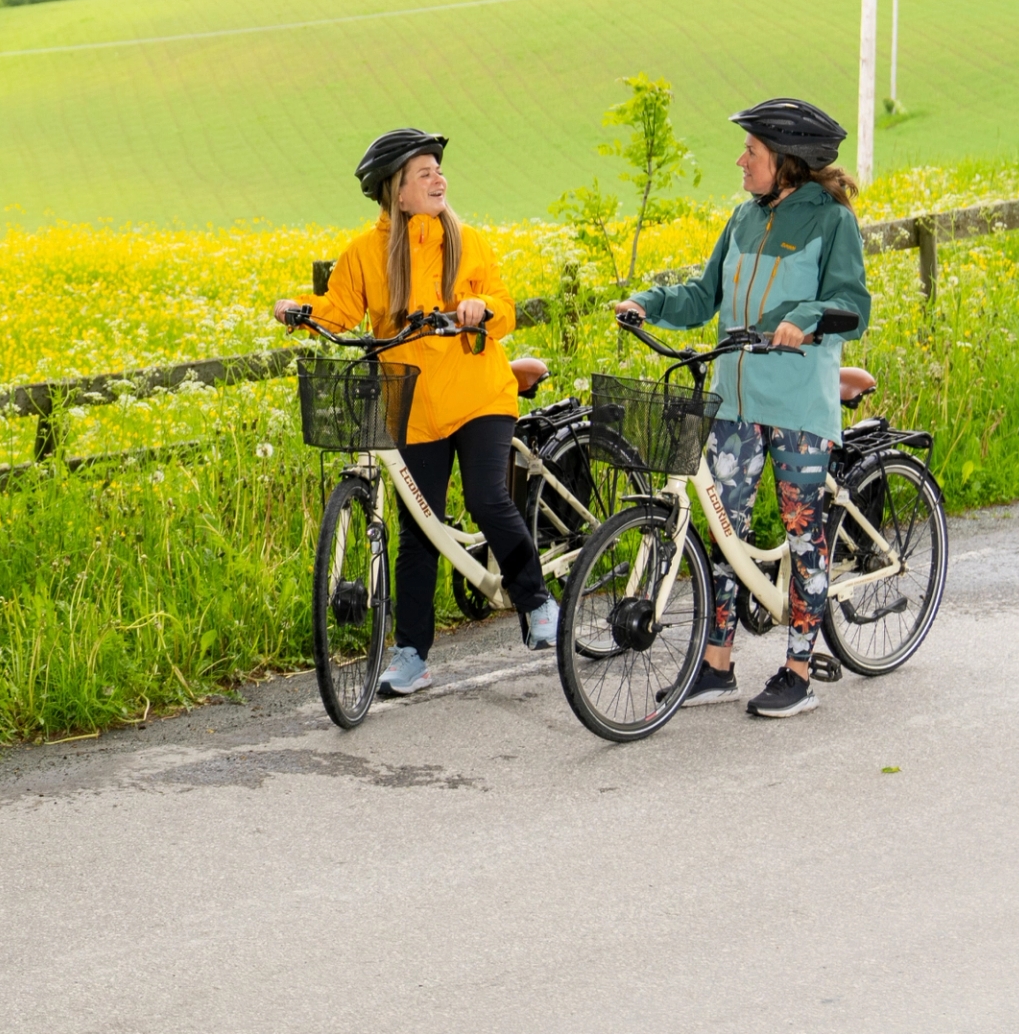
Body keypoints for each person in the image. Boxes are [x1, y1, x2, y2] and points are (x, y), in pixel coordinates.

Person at [611, 96, 873, 719]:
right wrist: (649, 300)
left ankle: (800, 670)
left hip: (798, 403)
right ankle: (717, 665)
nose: (741, 161)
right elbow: (705, 295)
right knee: (723, 531)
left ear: (785, 161)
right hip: (734, 400)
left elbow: (851, 305)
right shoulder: (743, 219)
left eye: (750, 152)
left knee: (803, 534)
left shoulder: (831, 222)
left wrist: (803, 320)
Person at [274, 126, 557, 696]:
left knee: (484, 497)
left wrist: (482, 308)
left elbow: (503, 306)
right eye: (423, 172)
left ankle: (537, 601)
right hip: (415, 408)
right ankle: (412, 655)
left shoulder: (468, 242)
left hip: (479, 395)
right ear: (395, 192)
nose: (438, 178)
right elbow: (339, 312)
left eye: (439, 170)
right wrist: (301, 311)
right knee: (418, 530)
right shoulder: (365, 254)